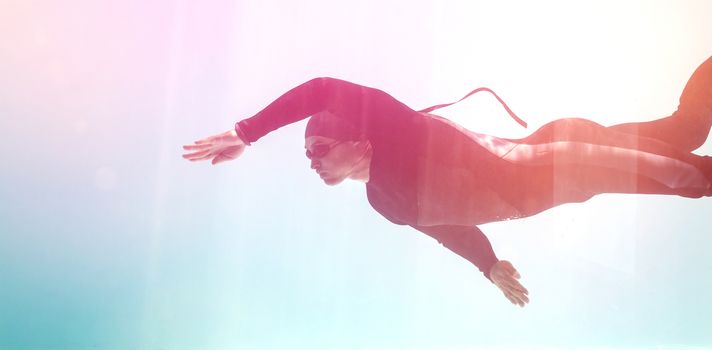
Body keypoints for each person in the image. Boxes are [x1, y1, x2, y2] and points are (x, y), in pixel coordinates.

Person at [182, 56, 712, 307]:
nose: (310, 160)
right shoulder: (382, 204)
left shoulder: (402, 135)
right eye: (305, 154)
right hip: (566, 174)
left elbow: (323, 88)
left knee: (694, 176)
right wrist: (489, 265)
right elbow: (449, 228)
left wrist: (247, 132)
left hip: (568, 155)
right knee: (686, 127)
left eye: (317, 147)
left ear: (360, 141)